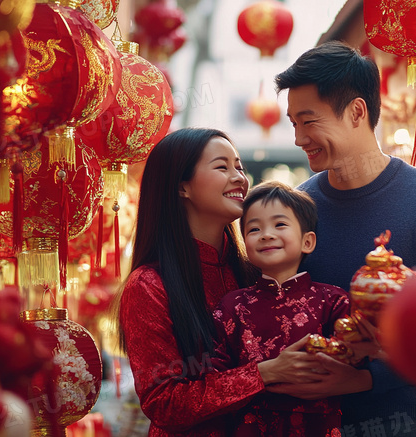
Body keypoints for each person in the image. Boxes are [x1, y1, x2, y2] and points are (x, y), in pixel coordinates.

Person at [273, 41, 416, 436]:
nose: (299, 138)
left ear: (357, 112)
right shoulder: (297, 211)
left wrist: (363, 379)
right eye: (293, 123)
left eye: (309, 121)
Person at [115, 128, 330, 437]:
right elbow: (164, 403)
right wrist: (264, 374)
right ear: (182, 187)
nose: (240, 177)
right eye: (222, 167)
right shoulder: (149, 285)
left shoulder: (255, 272)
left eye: (239, 167)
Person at [211, 180, 350, 436]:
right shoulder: (232, 306)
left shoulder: (333, 301)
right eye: (254, 229)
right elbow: (215, 375)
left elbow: (354, 360)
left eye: (280, 224)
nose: (266, 234)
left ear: (307, 242)